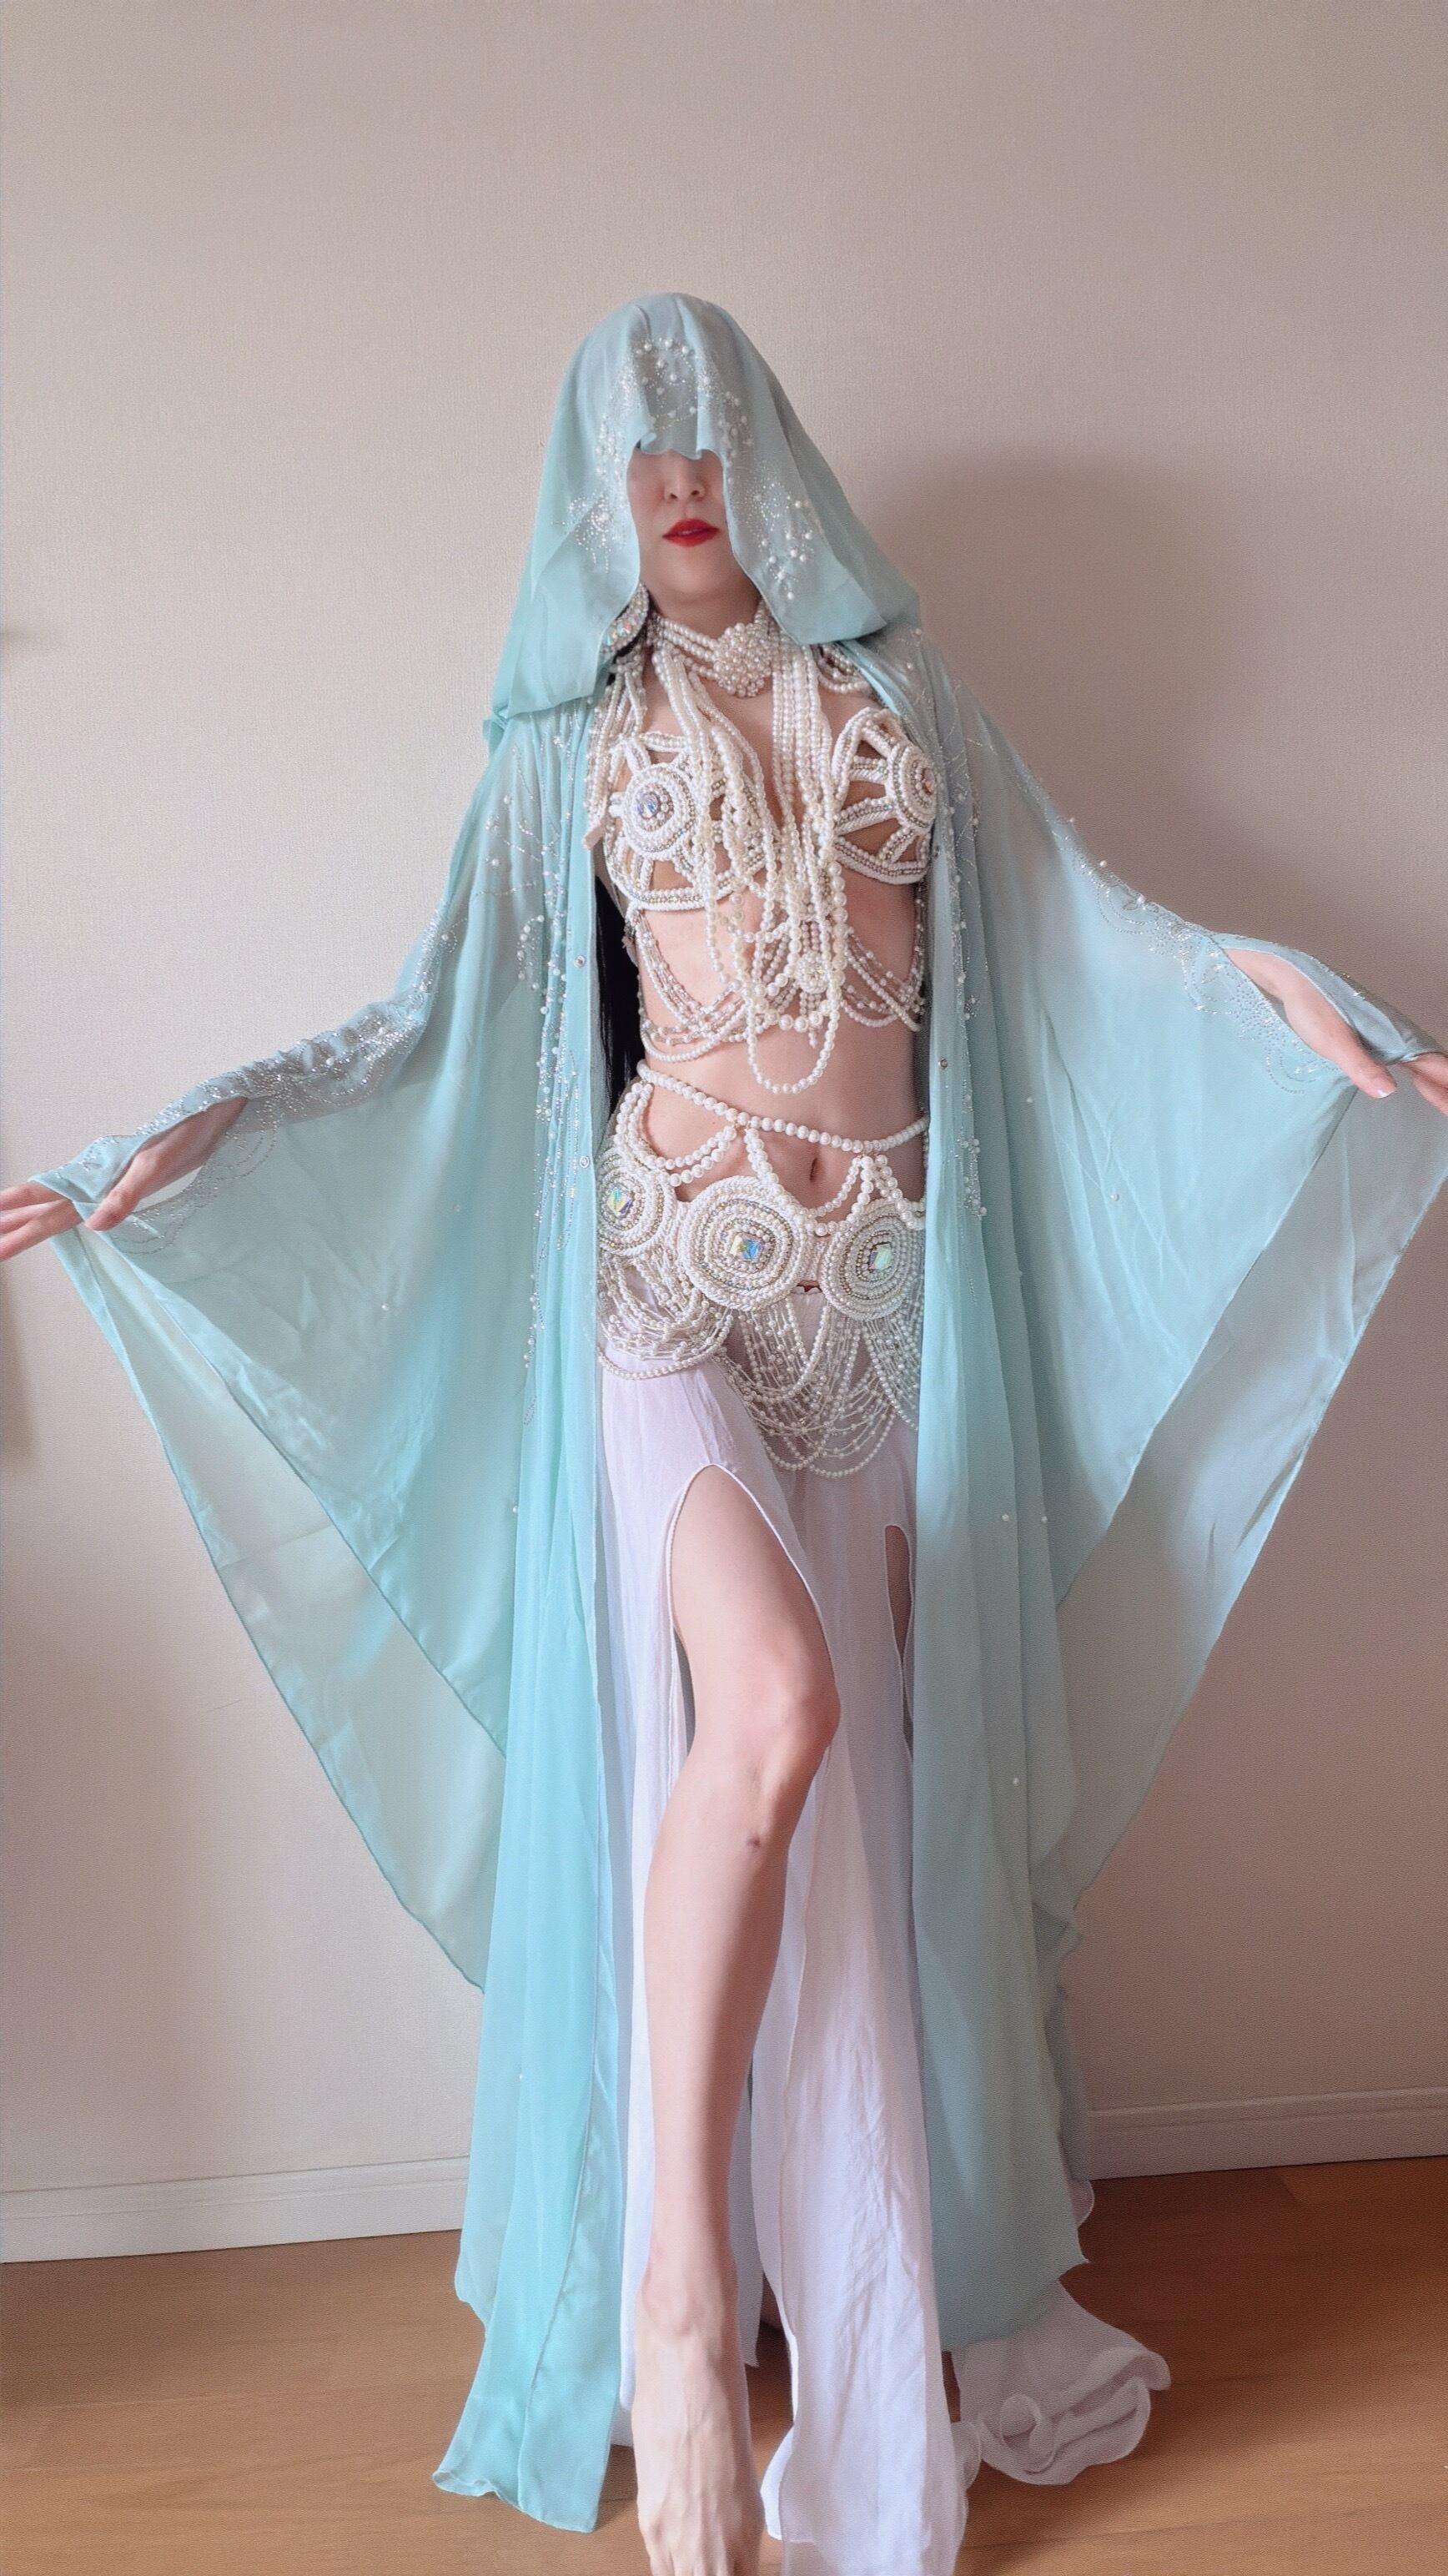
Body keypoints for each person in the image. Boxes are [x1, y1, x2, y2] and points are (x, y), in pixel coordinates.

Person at [6, 294, 1445, 2576]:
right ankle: (679, 2301)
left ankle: (837, 2317)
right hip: (664, 1284)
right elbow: (422, 1028)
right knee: (768, 1714)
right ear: (592, 489)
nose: (678, 471)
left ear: (769, 453)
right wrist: (189, 1134)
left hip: (883, 1314)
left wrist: (1272, 990)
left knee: (841, 1816)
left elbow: (1083, 927)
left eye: (709, 426)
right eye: (634, 437)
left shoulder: (905, 695)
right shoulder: (565, 739)